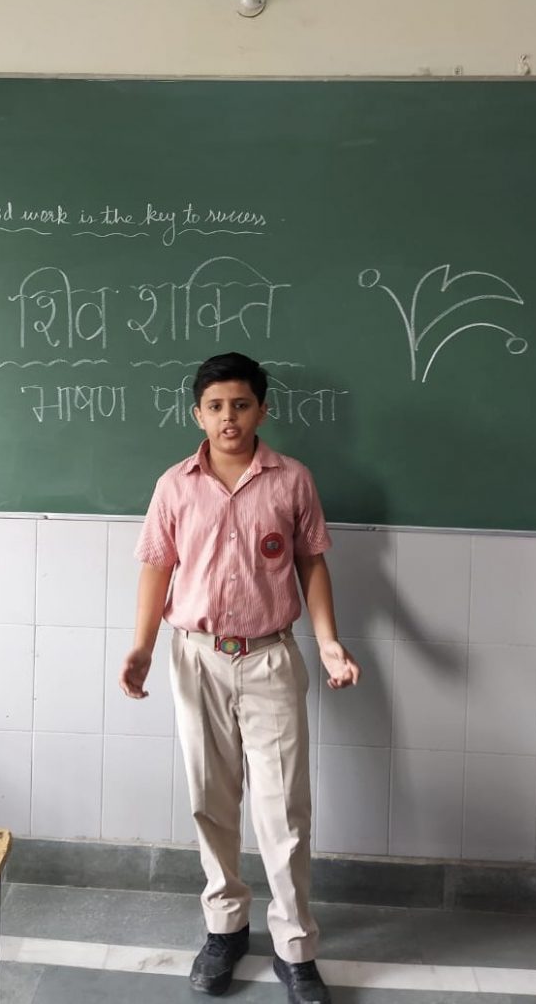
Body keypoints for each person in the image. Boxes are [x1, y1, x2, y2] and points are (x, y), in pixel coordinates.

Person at [119, 351, 360, 1004]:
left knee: (284, 809)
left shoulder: (291, 480)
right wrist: (142, 647)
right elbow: (157, 568)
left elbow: (311, 564)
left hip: (270, 656)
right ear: (197, 414)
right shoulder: (175, 485)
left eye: (241, 405)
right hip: (196, 655)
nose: (229, 417)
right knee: (211, 798)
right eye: (216, 406)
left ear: (262, 410)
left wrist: (329, 642)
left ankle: (294, 944)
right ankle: (225, 928)